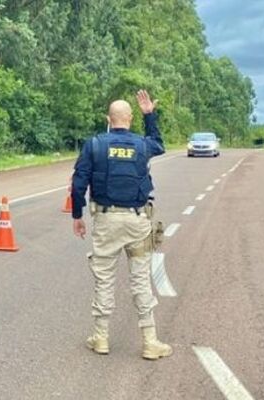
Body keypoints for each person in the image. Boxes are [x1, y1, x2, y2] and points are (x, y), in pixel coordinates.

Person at [70, 90, 172, 360]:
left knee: (104, 279)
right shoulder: (142, 145)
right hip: (137, 221)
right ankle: (150, 341)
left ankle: (101, 337)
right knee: (140, 280)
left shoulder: (94, 145)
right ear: (129, 118)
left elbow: (79, 182)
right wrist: (149, 115)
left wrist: (77, 216)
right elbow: (159, 144)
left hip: (106, 221)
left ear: (109, 119)